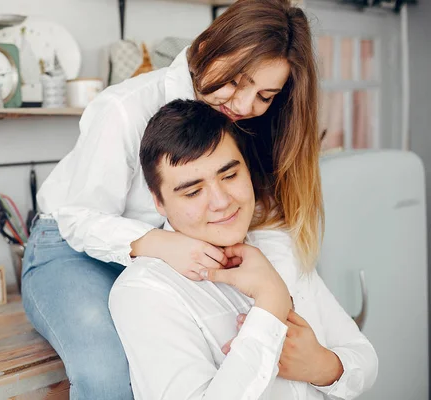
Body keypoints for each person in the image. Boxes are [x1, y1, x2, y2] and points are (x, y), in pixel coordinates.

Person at [22, 0, 322, 398]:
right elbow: (77, 218)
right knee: (108, 367)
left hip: (179, 251)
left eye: (265, 95)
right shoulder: (125, 109)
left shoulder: (250, 121)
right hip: (72, 248)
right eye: (236, 81)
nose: (246, 106)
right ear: (207, 48)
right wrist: (159, 244)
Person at [109, 99, 378, 400]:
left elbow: (364, 358)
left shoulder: (278, 246)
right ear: (158, 201)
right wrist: (271, 303)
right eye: (194, 191)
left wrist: (320, 366)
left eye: (230, 176)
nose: (222, 201)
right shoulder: (144, 292)